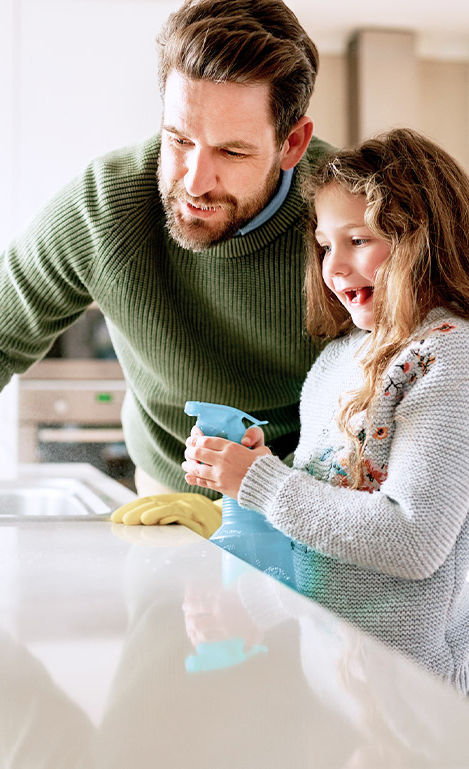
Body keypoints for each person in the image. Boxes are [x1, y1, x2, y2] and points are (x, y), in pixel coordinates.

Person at [0, 0, 331, 527]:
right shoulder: (106, 204)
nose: (194, 181)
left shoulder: (349, 216)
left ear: (292, 143)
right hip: (167, 495)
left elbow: (390, 400)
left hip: (306, 501)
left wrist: (259, 499)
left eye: (231, 153)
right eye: (179, 139)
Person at [180, 128, 469, 687]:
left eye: (358, 240)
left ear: (422, 238)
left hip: (416, 695)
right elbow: (325, 543)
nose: (333, 267)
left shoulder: (449, 357)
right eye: (325, 244)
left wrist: (263, 483)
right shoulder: (340, 359)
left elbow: (412, 541)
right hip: (342, 681)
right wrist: (254, 603)